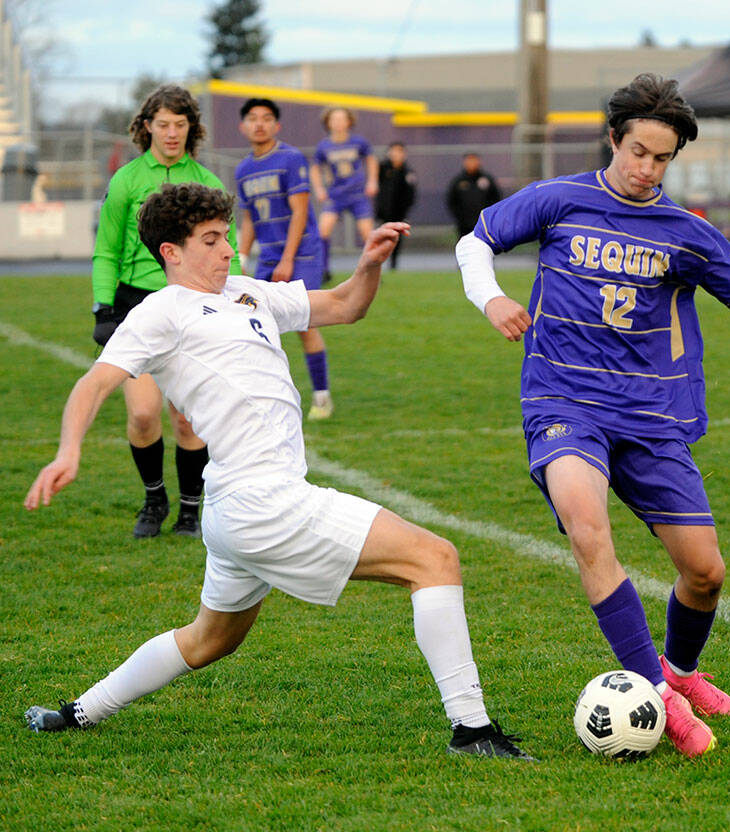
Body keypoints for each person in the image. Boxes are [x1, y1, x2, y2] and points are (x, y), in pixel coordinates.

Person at [24, 182, 532, 758]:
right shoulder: (161, 313)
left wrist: (367, 265)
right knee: (435, 558)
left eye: (226, 237)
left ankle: (78, 712)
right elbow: (95, 382)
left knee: (208, 640)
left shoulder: (248, 292)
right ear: (170, 252)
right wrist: (68, 451)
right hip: (262, 503)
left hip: (235, 509)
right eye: (210, 241)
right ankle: (472, 731)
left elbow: (345, 306)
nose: (226, 251)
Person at [455, 73, 730, 758]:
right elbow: (475, 241)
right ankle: (659, 696)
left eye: (662, 158)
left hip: (649, 415)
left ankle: (680, 668)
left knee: (705, 572)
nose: (648, 169)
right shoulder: (559, 200)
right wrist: (490, 299)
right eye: (639, 152)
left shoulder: (685, 231)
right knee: (590, 534)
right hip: (563, 404)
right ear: (613, 139)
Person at [91, 84, 241, 538]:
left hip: (193, 305)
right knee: (142, 414)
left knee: (187, 417)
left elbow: (222, 253)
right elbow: (105, 249)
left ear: (191, 128)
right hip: (137, 304)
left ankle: (191, 510)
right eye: (163, 124)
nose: (172, 133)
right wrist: (103, 305)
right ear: (146, 127)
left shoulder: (208, 183)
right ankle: (154, 498)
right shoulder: (127, 180)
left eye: (180, 124)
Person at [236, 98, 334, 420]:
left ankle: (322, 397)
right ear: (243, 126)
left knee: (305, 323)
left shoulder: (290, 158)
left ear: (277, 125)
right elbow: (249, 217)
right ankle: (263, 397)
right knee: (252, 324)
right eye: (252, 118)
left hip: (301, 253)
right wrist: (242, 255)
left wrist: (288, 259)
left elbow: (300, 210)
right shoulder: (243, 169)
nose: (259, 124)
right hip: (267, 257)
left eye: (266, 118)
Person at [310, 107, 378, 283]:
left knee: (367, 234)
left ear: (349, 122)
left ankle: (371, 272)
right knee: (322, 231)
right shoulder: (324, 146)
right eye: (334, 119)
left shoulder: (358, 142)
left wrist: (372, 182)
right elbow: (315, 168)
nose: (338, 123)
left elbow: (371, 160)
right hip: (335, 195)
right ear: (328, 123)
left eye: (342, 119)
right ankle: (324, 270)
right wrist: (319, 188)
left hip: (357, 195)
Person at [376, 141, 418, 270]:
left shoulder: (407, 173)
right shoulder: (382, 169)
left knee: (396, 239)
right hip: (384, 211)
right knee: (381, 237)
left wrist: (406, 209)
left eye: (400, 152)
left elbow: (411, 193)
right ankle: (378, 264)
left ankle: (393, 264)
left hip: (399, 212)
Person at [445, 152, 501, 240]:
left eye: (474, 160)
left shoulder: (487, 179)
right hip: (464, 225)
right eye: (469, 160)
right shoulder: (458, 181)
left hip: (483, 223)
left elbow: (496, 198)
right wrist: (460, 217)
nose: (471, 163)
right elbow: (452, 201)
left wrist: (489, 217)